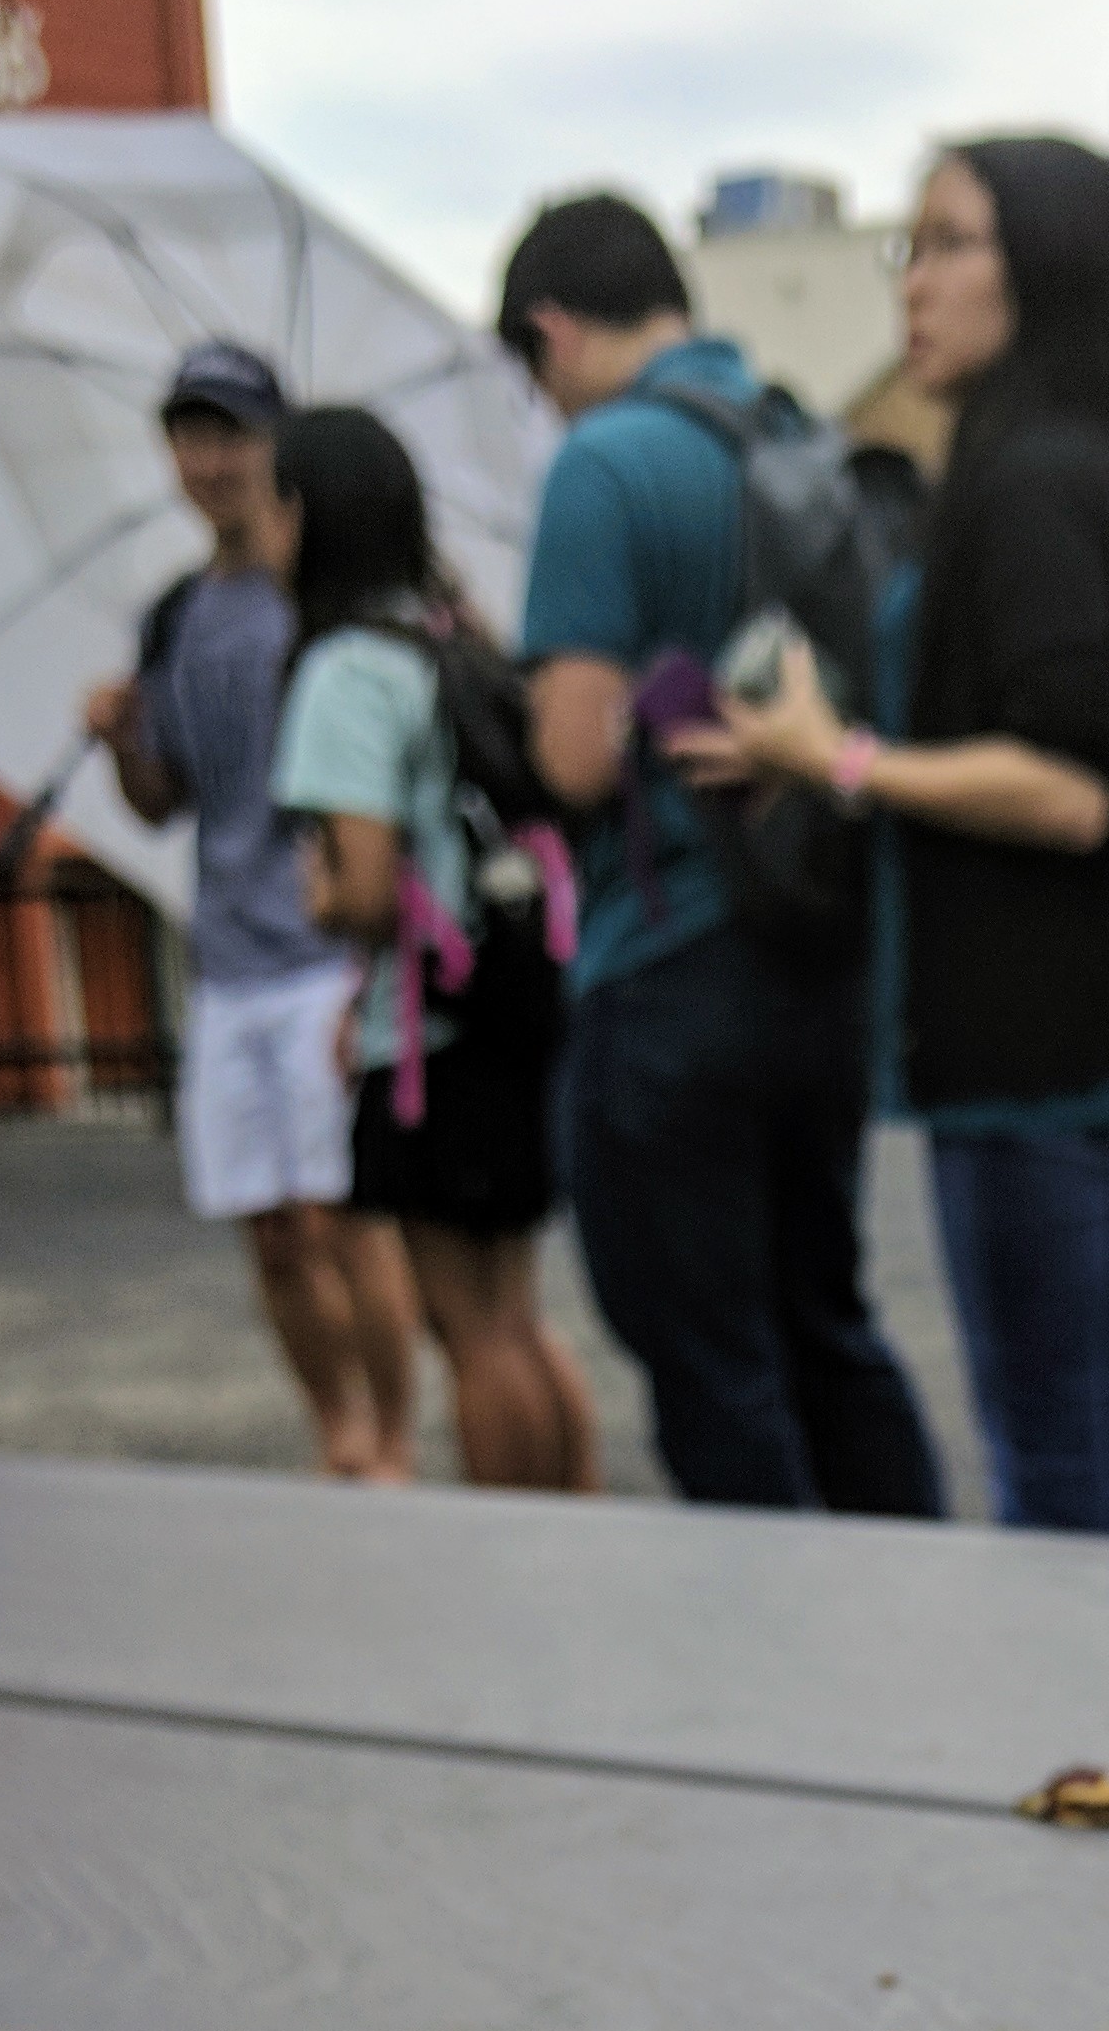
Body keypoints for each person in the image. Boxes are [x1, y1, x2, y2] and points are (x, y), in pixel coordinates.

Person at [688, 138, 1109, 1535]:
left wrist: (837, 757)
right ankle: (1102, 1740)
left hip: (1032, 1045)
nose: (913, 281)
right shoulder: (1042, 466)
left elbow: (1069, 786)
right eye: (907, 247)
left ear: (1045, 269)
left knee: (1053, 1459)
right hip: (1033, 1042)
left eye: (946, 243)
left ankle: (1081, 1751)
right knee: (1074, 1441)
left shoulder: (1043, 479)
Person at [497, 192, 940, 1517]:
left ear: (551, 331)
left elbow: (572, 758)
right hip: (817, 954)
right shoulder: (801, 431)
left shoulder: (606, 464)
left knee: (712, 1362)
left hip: (670, 967)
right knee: (828, 1325)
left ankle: (773, 1679)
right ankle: (924, 1622)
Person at [85, 342, 418, 1483]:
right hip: (224, 958)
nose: (209, 457)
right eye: (189, 433)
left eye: (230, 431)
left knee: (345, 1219)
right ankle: (339, 1431)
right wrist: (128, 739)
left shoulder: (317, 599)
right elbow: (164, 802)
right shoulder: (174, 616)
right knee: (272, 1234)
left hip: (324, 953)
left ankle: (395, 1435)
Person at [265, 403, 597, 1494]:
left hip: (431, 1040)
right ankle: (579, 1526)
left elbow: (365, 889)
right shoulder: (457, 636)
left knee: (470, 1331)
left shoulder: (345, 670)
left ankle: (521, 1550)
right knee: (517, 1316)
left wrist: (319, 891)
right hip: (512, 1013)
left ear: (306, 514)